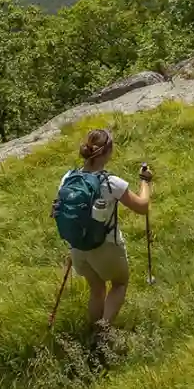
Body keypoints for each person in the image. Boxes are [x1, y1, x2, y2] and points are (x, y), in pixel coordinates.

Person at [52, 128, 152, 330]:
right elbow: (142, 207)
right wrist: (145, 181)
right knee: (119, 283)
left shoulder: (68, 178)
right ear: (107, 152)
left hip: (78, 248)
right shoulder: (111, 182)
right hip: (104, 247)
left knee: (96, 289)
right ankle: (103, 332)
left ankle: (92, 330)